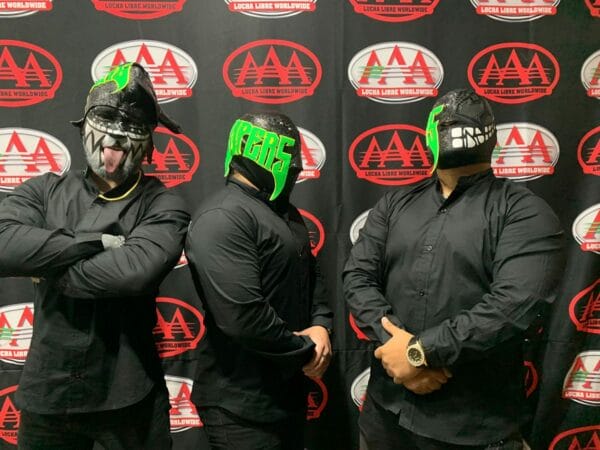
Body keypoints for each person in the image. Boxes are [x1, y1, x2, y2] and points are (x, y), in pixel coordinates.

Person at [343, 89, 565, 450]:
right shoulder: (395, 203)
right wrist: (395, 344)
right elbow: (357, 277)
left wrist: (419, 352)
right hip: (386, 415)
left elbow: (515, 306)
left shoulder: (524, 212)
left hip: (472, 426)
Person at [0, 62, 190, 450]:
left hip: (128, 397)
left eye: (133, 127)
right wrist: (96, 242)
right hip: (48, 396)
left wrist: (48, 265)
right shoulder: (42, 191)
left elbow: (135, 271)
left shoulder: (163, 203)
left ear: (150, 143)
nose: (115, 143)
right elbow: (3, 244)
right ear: (83, 125)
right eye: (105, 119)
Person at [185, 111, 333, 450]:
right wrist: (306, 352)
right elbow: (243, 316)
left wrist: (321, 324)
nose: (296, 168)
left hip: (287, 395)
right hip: (240, 404)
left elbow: (312, 277)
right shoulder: (222, 217)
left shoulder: (285, 212)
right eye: (290, 158)